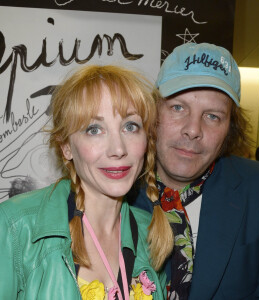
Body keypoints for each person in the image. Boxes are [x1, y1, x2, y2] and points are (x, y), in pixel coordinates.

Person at [131, 43, 259, 299]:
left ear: (230, 128)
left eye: (212, 116)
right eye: (178, 107)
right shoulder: (117, 187)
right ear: (153, 112)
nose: (193, 129)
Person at [0, 65, 173, 300]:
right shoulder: (14, 226)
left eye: (130, 126)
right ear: (66, 147)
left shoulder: (149, 231)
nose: (118, 149)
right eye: (94, 129)